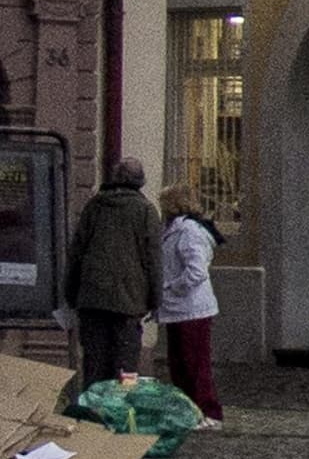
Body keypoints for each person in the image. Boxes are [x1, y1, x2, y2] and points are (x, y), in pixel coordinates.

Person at [65, 154, 161, 398]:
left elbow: (77, 251)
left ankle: (93, 414)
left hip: (93, 298)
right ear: (140, 182)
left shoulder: (95, 206)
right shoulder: (145, 210)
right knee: (126, 364)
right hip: (129, 301)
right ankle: (122, 409)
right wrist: (155, 300)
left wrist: (71, 293)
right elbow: (153, 260)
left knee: (94, 363)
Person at [154, 184, 224, 422]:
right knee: (180, 365)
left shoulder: (189, 231)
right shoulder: (174, 229)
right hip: (178, 308)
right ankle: (189, 412)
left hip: (192, 308)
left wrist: (171, 286)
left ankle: (208, 412)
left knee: (195, 365)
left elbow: (196, 271)